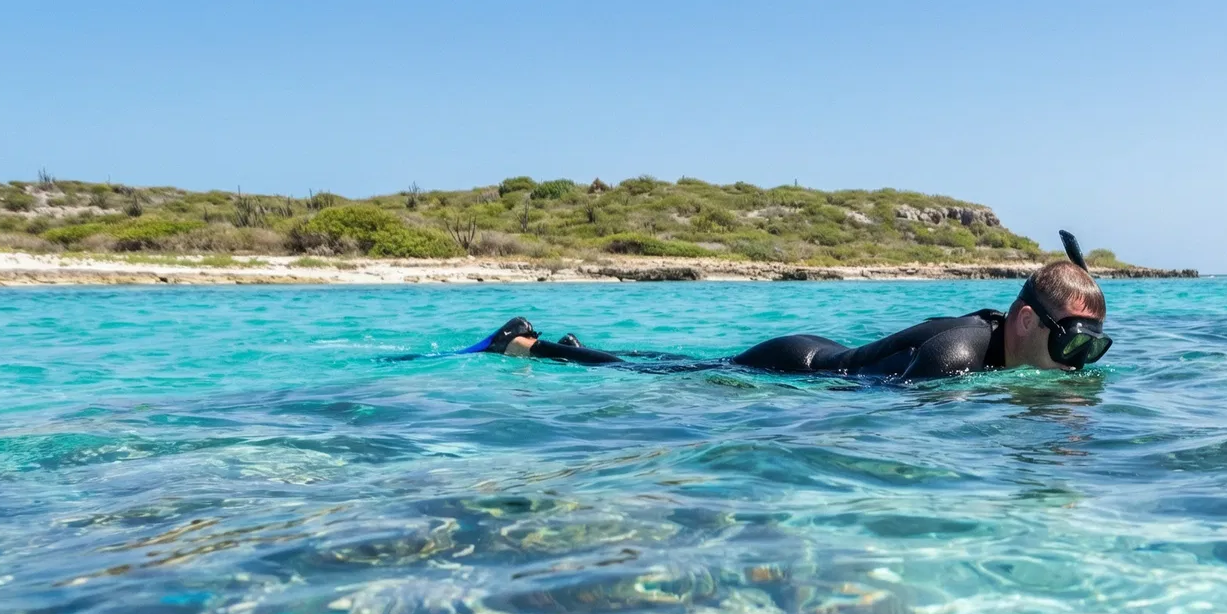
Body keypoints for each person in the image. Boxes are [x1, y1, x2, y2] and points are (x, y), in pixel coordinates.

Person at [460, 230, 1112, 379]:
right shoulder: (958, 357)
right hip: (798, 368)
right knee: (665, 375)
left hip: (825, 356)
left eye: (1094, 347)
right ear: (1026, 320)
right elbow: (886, 428)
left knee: (669, 365)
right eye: (1072, 340)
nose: (1079, 359)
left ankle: (571, 349)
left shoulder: (1010, 348)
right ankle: (524, 345)